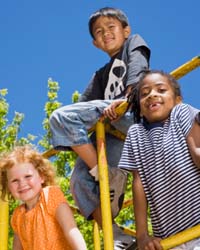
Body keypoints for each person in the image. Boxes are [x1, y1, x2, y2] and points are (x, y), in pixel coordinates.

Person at [49, 7, 150, 249]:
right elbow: (82, 107)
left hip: (130, 114)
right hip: (113, 135)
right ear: (95, 43)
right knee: (77, 180)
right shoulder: (100, 75)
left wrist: (127, 97)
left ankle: (102, 172)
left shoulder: (133, 44)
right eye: (99, 32)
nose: (106, 33)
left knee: (59, 117)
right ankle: (118, 237)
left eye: (111, 28)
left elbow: (139, 67)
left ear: (126, 31)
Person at [118, 70, 200, 250]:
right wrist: (142, 235)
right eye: (144, 93)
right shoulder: (135, 134)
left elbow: (197, 152)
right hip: (169, 236)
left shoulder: (181, 112)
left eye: (161, 90)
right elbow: (138, 184)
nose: (152, 95)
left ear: (177, 99)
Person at [0, 145, 87, 250]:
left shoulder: (50, 195)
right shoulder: (18, 216)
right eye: (15, 180)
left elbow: (70, 229)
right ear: (8, 186)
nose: (22, 183)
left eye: (27, 176)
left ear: (41, 176)